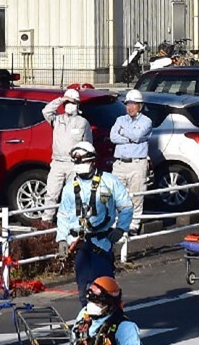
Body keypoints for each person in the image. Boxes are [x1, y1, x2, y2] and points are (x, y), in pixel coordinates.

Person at [55, 141, 134, 299]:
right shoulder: (69, 188)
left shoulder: (110, 181)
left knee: (104, 288)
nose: (79, 166)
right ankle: (88, 319)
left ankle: (110, 318)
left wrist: (120, 228)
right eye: (77, 162)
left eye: (83, 161)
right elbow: (63, 215)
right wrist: (62, 239)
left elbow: (126, 206)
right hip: (79, 244)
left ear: (92, 161)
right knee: (84, 290)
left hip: (102, 243)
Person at [39, 87, 93, 222]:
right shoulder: (57, 120)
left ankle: (73, 222)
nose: (70, 105)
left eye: (73, 102)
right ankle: (46, 221)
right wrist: (61, 99)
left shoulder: (83, 122)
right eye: (67, 103)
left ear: (78, 105)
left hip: (74, 164)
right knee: (51, 193)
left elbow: (87, 143)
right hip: (57, 163)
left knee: (74, 194)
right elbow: (46, 111)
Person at [108, 89, 153, 223]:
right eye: (128, 104)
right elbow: (113, 137)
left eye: (133, 104)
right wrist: (130, 137)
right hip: (120, 163)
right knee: (116, 195)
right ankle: (117, 222)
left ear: (140, 105)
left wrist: (123, 132)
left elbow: (137, 136)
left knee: (137, 196)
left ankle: (134, 224)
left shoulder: (146, 121)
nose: (130, 107)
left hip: (137, 163)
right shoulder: (120, 119)